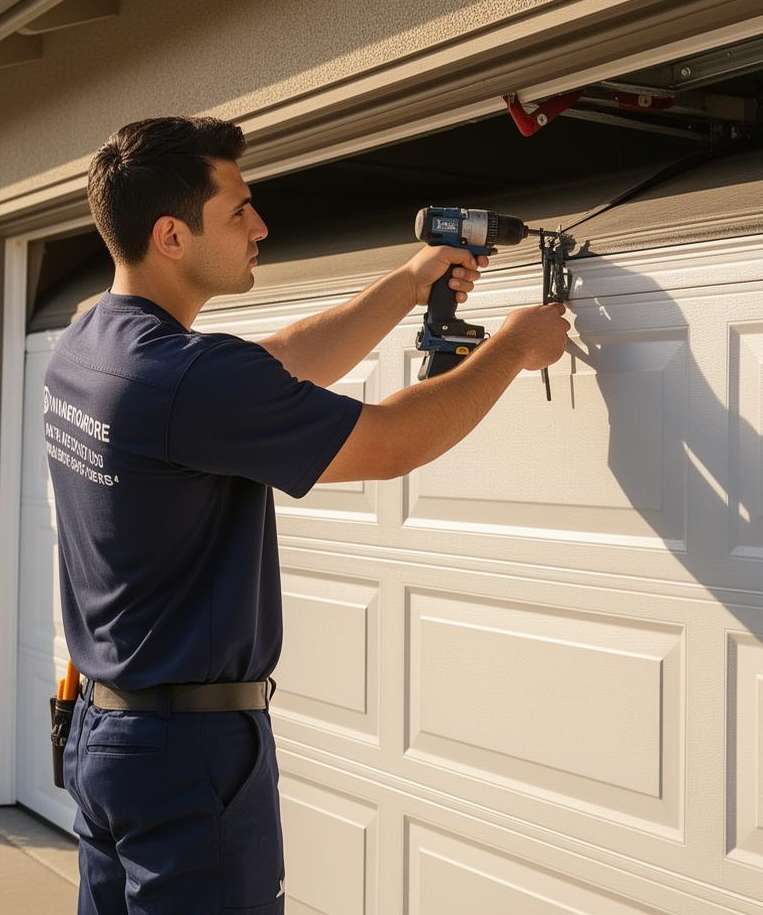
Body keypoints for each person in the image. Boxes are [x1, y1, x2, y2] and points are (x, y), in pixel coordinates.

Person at [46, 115, 570, 913]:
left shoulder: (89, 344)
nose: (260, 226)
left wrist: (406, 282)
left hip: (105, 737)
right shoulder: (187, 381)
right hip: (188, 754)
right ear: (171, 237)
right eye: (237, 212)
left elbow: (277, 363)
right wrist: (511, 347)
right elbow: (391, 443)